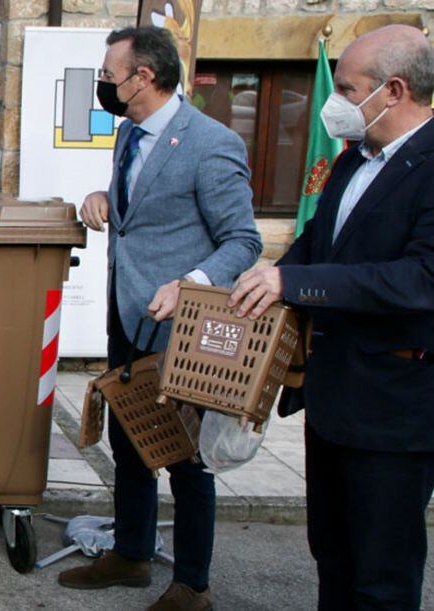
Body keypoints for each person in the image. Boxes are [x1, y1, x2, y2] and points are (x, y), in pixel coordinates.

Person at [230, 25, 434, 611]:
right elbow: (318, 243)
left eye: (346, 87)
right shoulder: (352, 162)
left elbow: (422, 279)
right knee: (333, 556)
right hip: (333, 399)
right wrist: (261, 284)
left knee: (382, 575)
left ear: (393, 90)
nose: (333, 102)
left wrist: (293, 282)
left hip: (395, 410)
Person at [58, 27, 262, 610]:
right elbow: (142, 206)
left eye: (107, 74)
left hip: (182, 330)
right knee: (128, 442)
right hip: (129, 318)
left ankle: (192, 586)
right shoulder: (128, 133)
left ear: (142, 78)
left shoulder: (211, 143)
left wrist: (190, 284)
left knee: (186, 459)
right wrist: (102, 199)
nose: (103, 83)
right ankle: (131, 555)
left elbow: (243, 242)